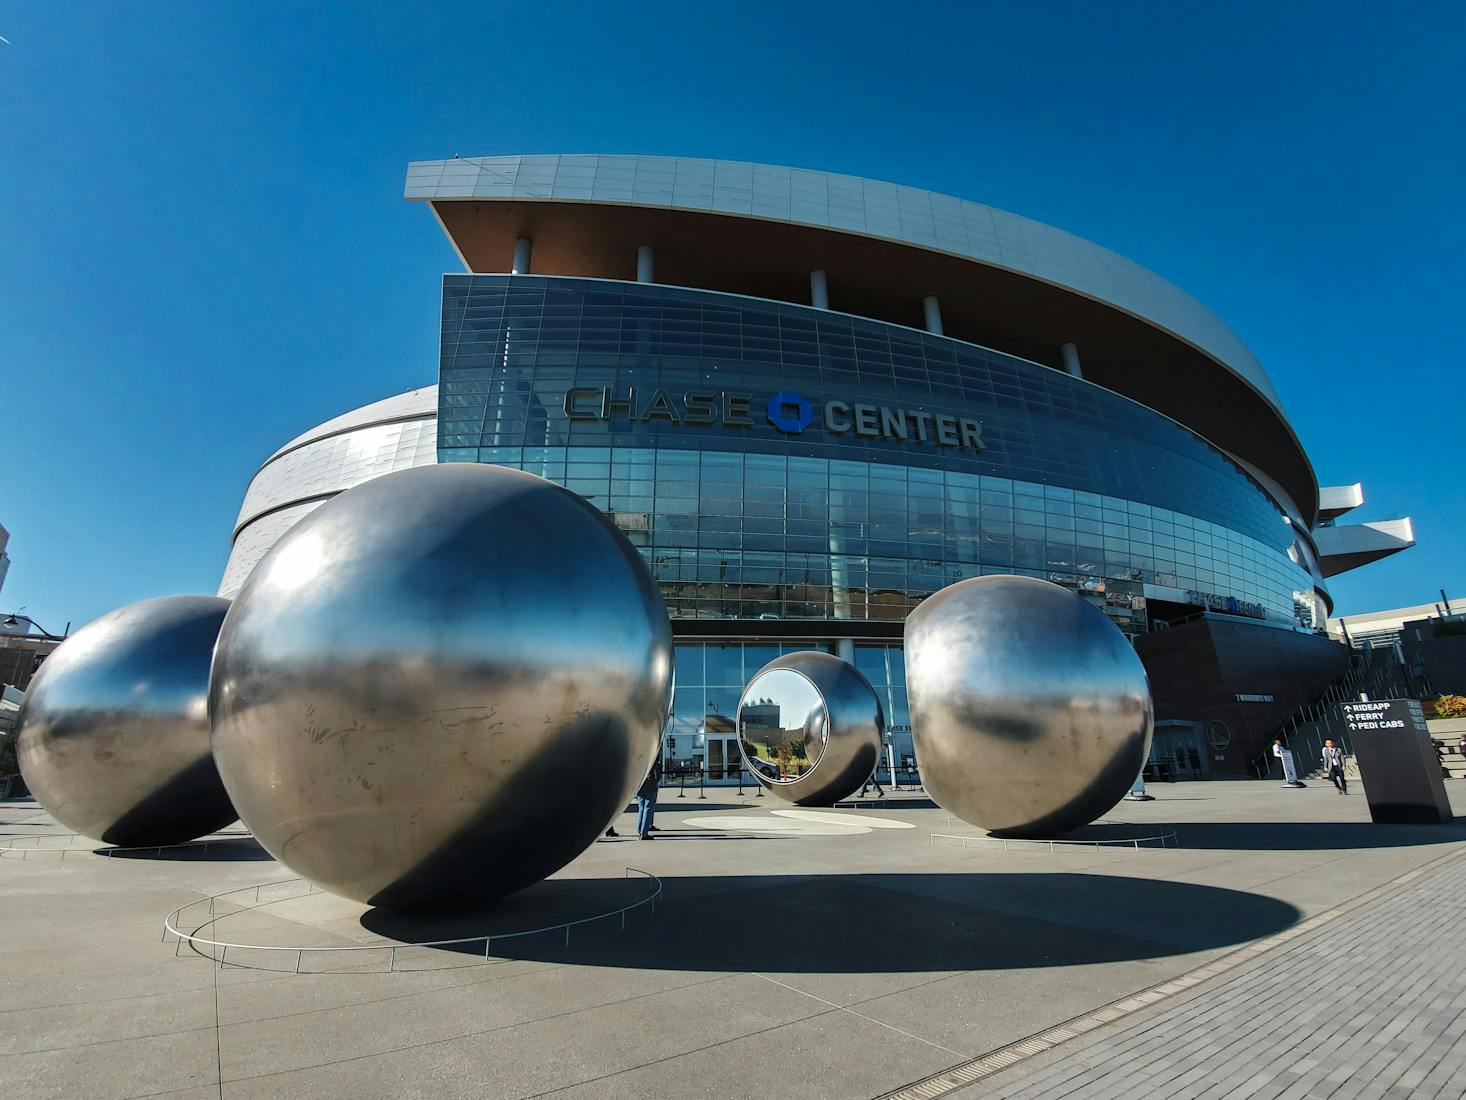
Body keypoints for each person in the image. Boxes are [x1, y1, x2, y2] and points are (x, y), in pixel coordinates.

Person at [636, 757, 663, 839]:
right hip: (650, 784)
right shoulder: (653, 758)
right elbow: (657, 773)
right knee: (648, 808)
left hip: (640, 784)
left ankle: (640, 829)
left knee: (641, 808)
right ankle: (644, 833)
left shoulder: (639, 758)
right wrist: (656, 782)